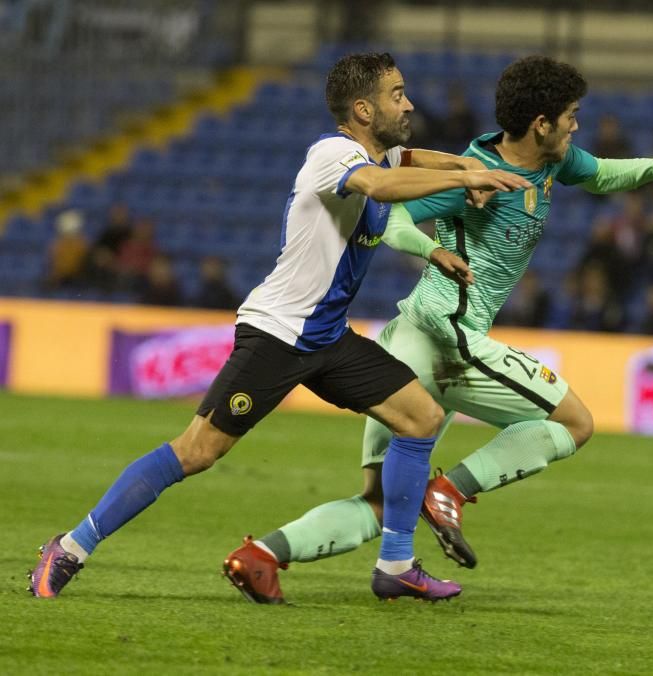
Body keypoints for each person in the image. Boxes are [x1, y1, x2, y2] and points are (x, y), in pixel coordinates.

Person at [28, 51, 531, 603]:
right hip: (279, 335)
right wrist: (467, 175)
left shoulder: (384, 155)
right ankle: (71, 546)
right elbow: (382, 188)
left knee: (422, 417)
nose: (408, 103)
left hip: (328, 338)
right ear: (363, 109)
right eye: (396, 94)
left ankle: (395, 566)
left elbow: (412, 157)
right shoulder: (333, 154)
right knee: (196, 452)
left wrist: (465, 170)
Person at [220, 55, 653, 604]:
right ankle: (450, 490)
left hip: (407, 336)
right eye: (572, 115)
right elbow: (393, 219)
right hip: (448, 334)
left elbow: (603, 173)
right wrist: (432, 249)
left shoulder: (553, 161)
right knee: (575, 422)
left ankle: (262, 555)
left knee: (383, 503)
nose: (577, 125)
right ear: (542, 123)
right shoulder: (472, 174)